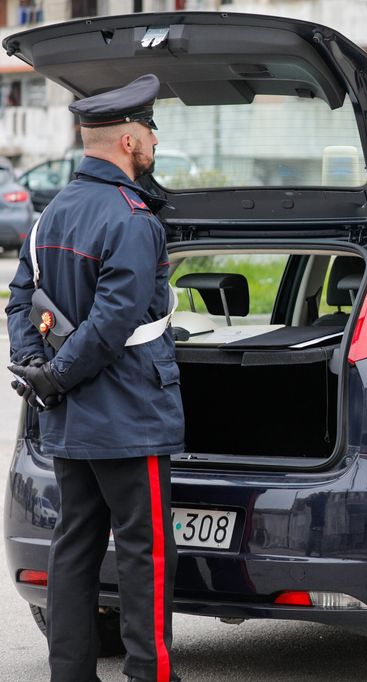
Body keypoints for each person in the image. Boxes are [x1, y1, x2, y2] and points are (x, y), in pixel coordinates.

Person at [6, 74, 183, 682]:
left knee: (75, 547)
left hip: (69, 416)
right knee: (146, 554)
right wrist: (51, 375)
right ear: (130, 140)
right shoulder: (133, 219)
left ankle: (70, 674)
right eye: (151, 131)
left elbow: (18, 299)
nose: (155, 141)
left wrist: (39, 372)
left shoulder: (50, 215)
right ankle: (149, 675)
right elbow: (112, 324)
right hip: (130, 416)